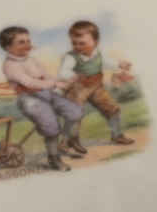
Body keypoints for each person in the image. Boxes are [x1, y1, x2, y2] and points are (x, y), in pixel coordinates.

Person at [0, 26, 83, 172]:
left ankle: (62, 144)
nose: (27, 45)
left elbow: (46, 76)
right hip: (29, 100)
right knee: (51, 126)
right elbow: (30, 83)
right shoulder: (10, 65)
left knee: (75, 112)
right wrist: (55, 84)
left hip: (46, 93)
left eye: (28, 41)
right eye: (21, 42)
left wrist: (62, 81)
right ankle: (53, 158)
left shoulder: (31, 59)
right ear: (8, 47)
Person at [58, 20, 135, 154]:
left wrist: (119, 65)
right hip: (78, 88)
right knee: (74, 113)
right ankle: (68, 141)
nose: (77, 46)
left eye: (82, 43)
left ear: (96, 42)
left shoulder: (99, 54)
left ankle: (117, 135)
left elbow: (107, 62)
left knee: (112, 108)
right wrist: (74, 75)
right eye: (74, 43)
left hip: (96, 86)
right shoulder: (71, 57)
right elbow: (63, 72)